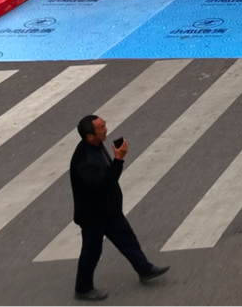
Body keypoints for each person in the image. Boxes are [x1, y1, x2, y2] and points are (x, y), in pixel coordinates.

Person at [70, 114, 168, 301]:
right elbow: (105, 183)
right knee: (91, 252)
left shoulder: (95, 145)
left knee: (128, 240)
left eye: (104, 124)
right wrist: (119, 159)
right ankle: (83, 288)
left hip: (109, 210)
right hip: (93, 216)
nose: (106, 129)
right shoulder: (85, 161)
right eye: (101, 127)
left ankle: (144, 269)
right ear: (90, 136)